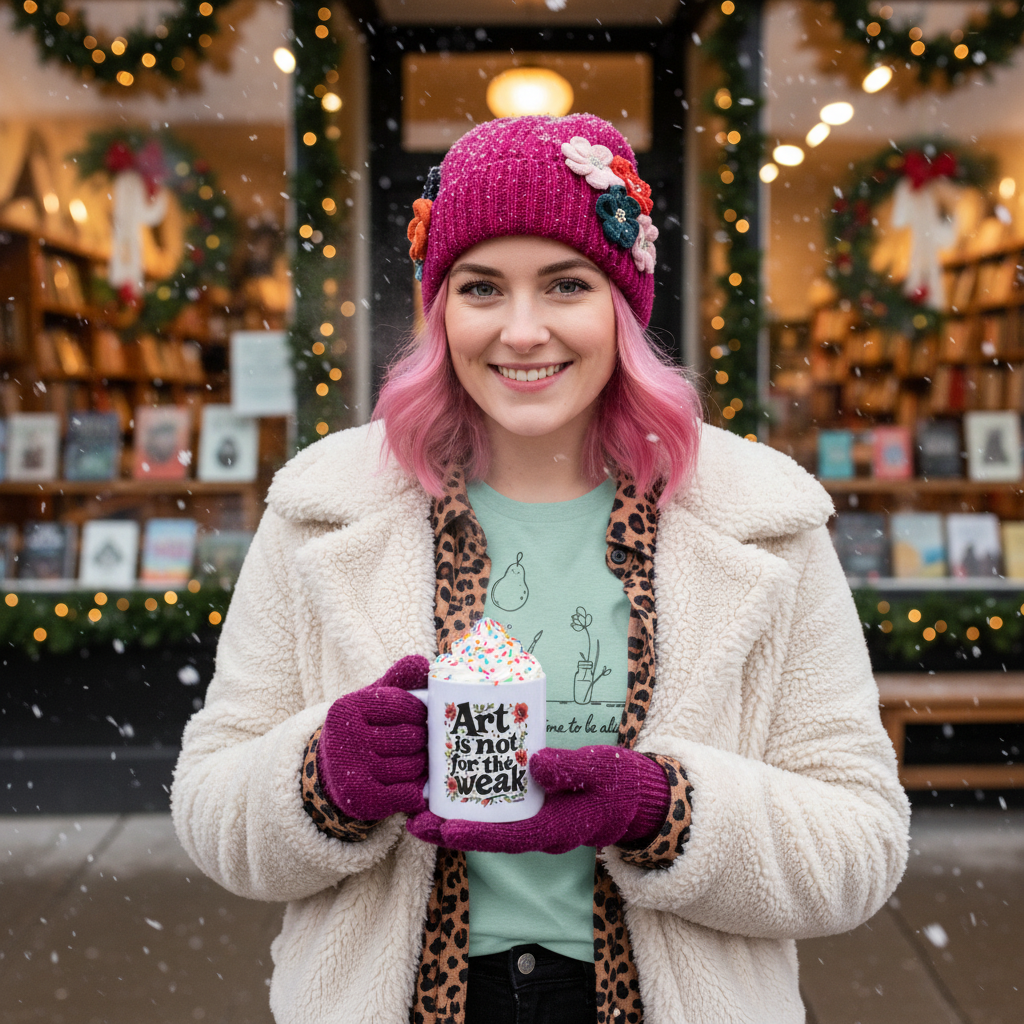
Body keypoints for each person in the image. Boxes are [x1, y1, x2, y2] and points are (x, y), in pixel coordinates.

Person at [171, 114, 910, 1024]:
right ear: (442, 314)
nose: (523, 331)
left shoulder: (760, 522)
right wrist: (321, 780)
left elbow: (863, 842)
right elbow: (208, 807)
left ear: (623, 308)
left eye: (565, 284)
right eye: (482, 288)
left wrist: (658, 809)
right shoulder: (324, 510)